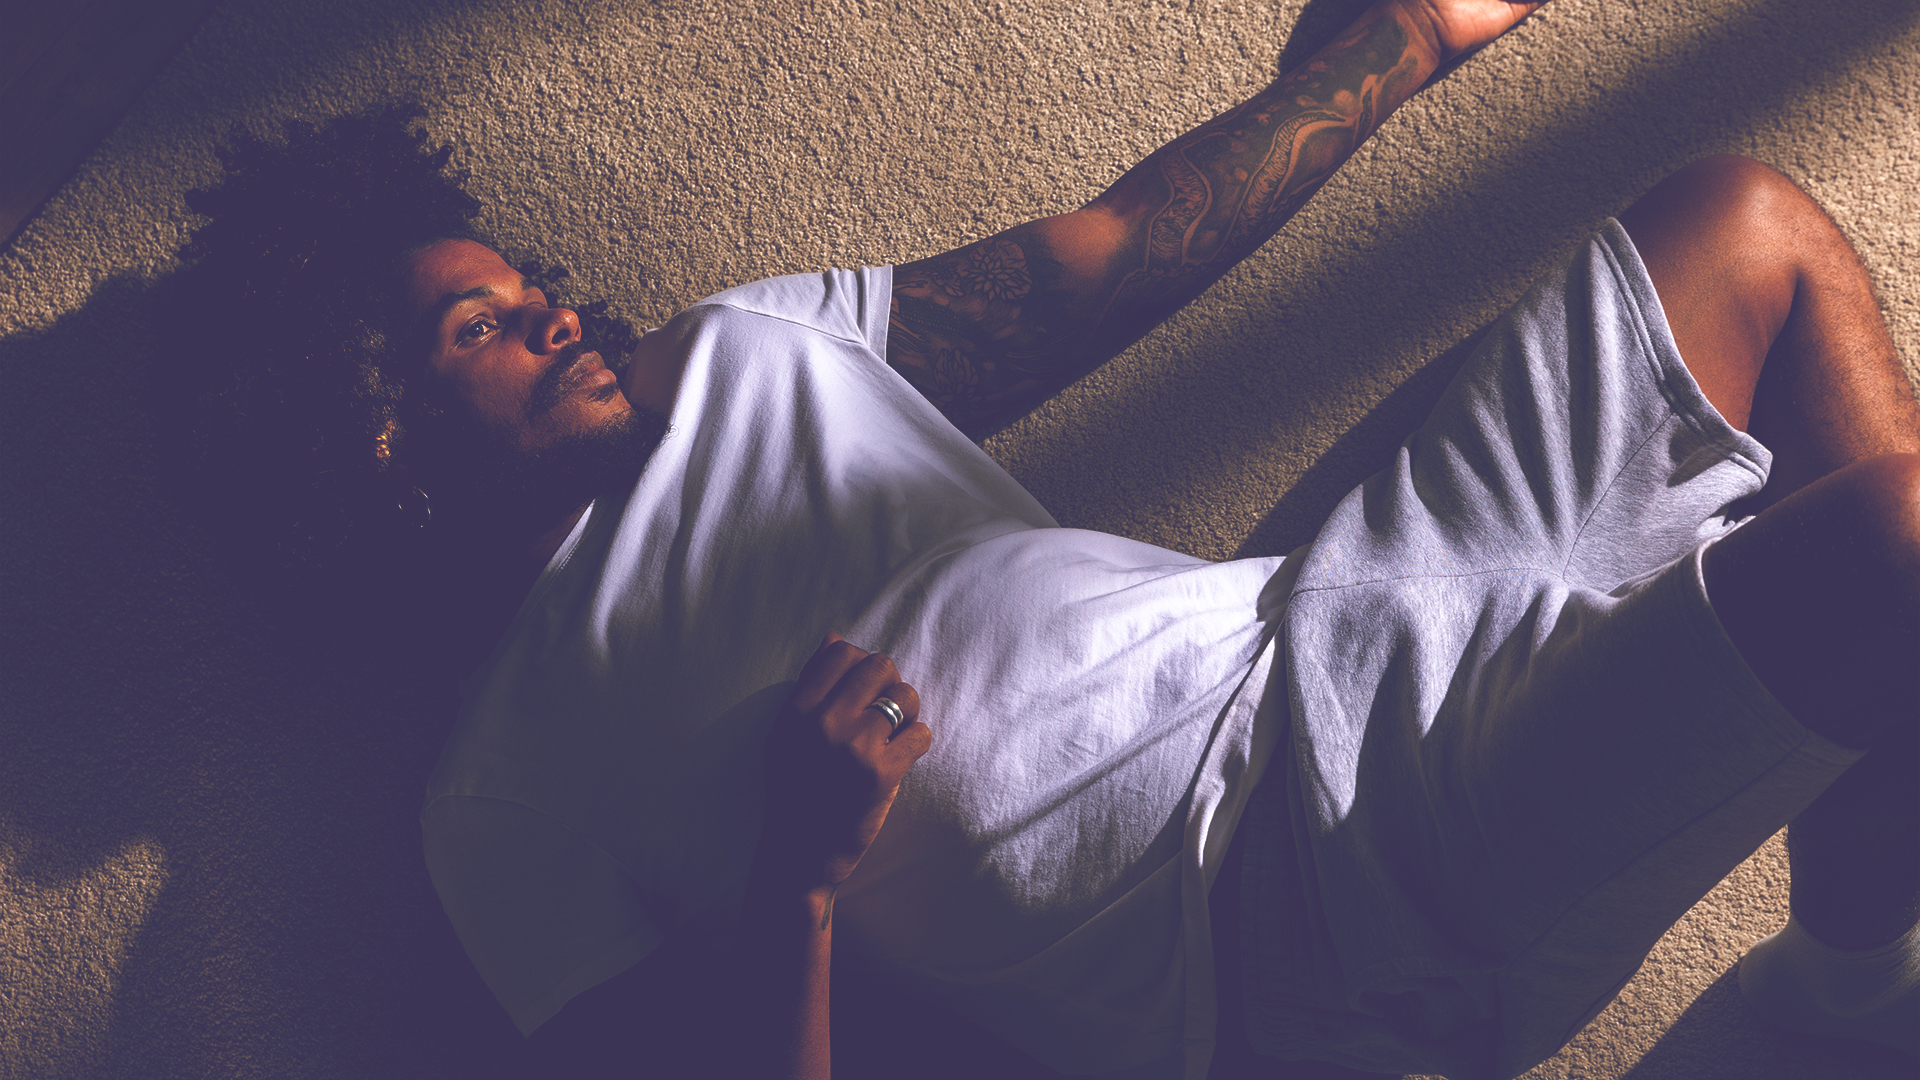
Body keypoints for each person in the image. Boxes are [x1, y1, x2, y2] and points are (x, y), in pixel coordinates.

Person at [173, 0, 1919, 1076]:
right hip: (1299, 892)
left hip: (1325, 616)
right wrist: (798, 880)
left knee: (1751, 230)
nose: (553, 312)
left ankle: (1855, 981)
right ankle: (1853, 1010)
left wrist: (1404, 41)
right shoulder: (499, 797)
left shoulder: (740, 345)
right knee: (1897, 541)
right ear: (381, 447)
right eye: (480, 329)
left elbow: (1104, 255)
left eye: (525, 285)